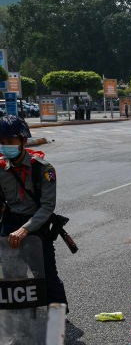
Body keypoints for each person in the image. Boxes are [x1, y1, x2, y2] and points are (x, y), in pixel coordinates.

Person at [0, 116, 67, 308]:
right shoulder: (1, 168)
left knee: (45, 274)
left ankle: (58, 320)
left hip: (37, 226)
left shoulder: (43, 169)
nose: (5, 146)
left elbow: (47, 206)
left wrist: (25, 229)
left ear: (22, 141)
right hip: (10, 224)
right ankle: (19, 324)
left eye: (10, 141)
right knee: (12, 277)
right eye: (1, 142)